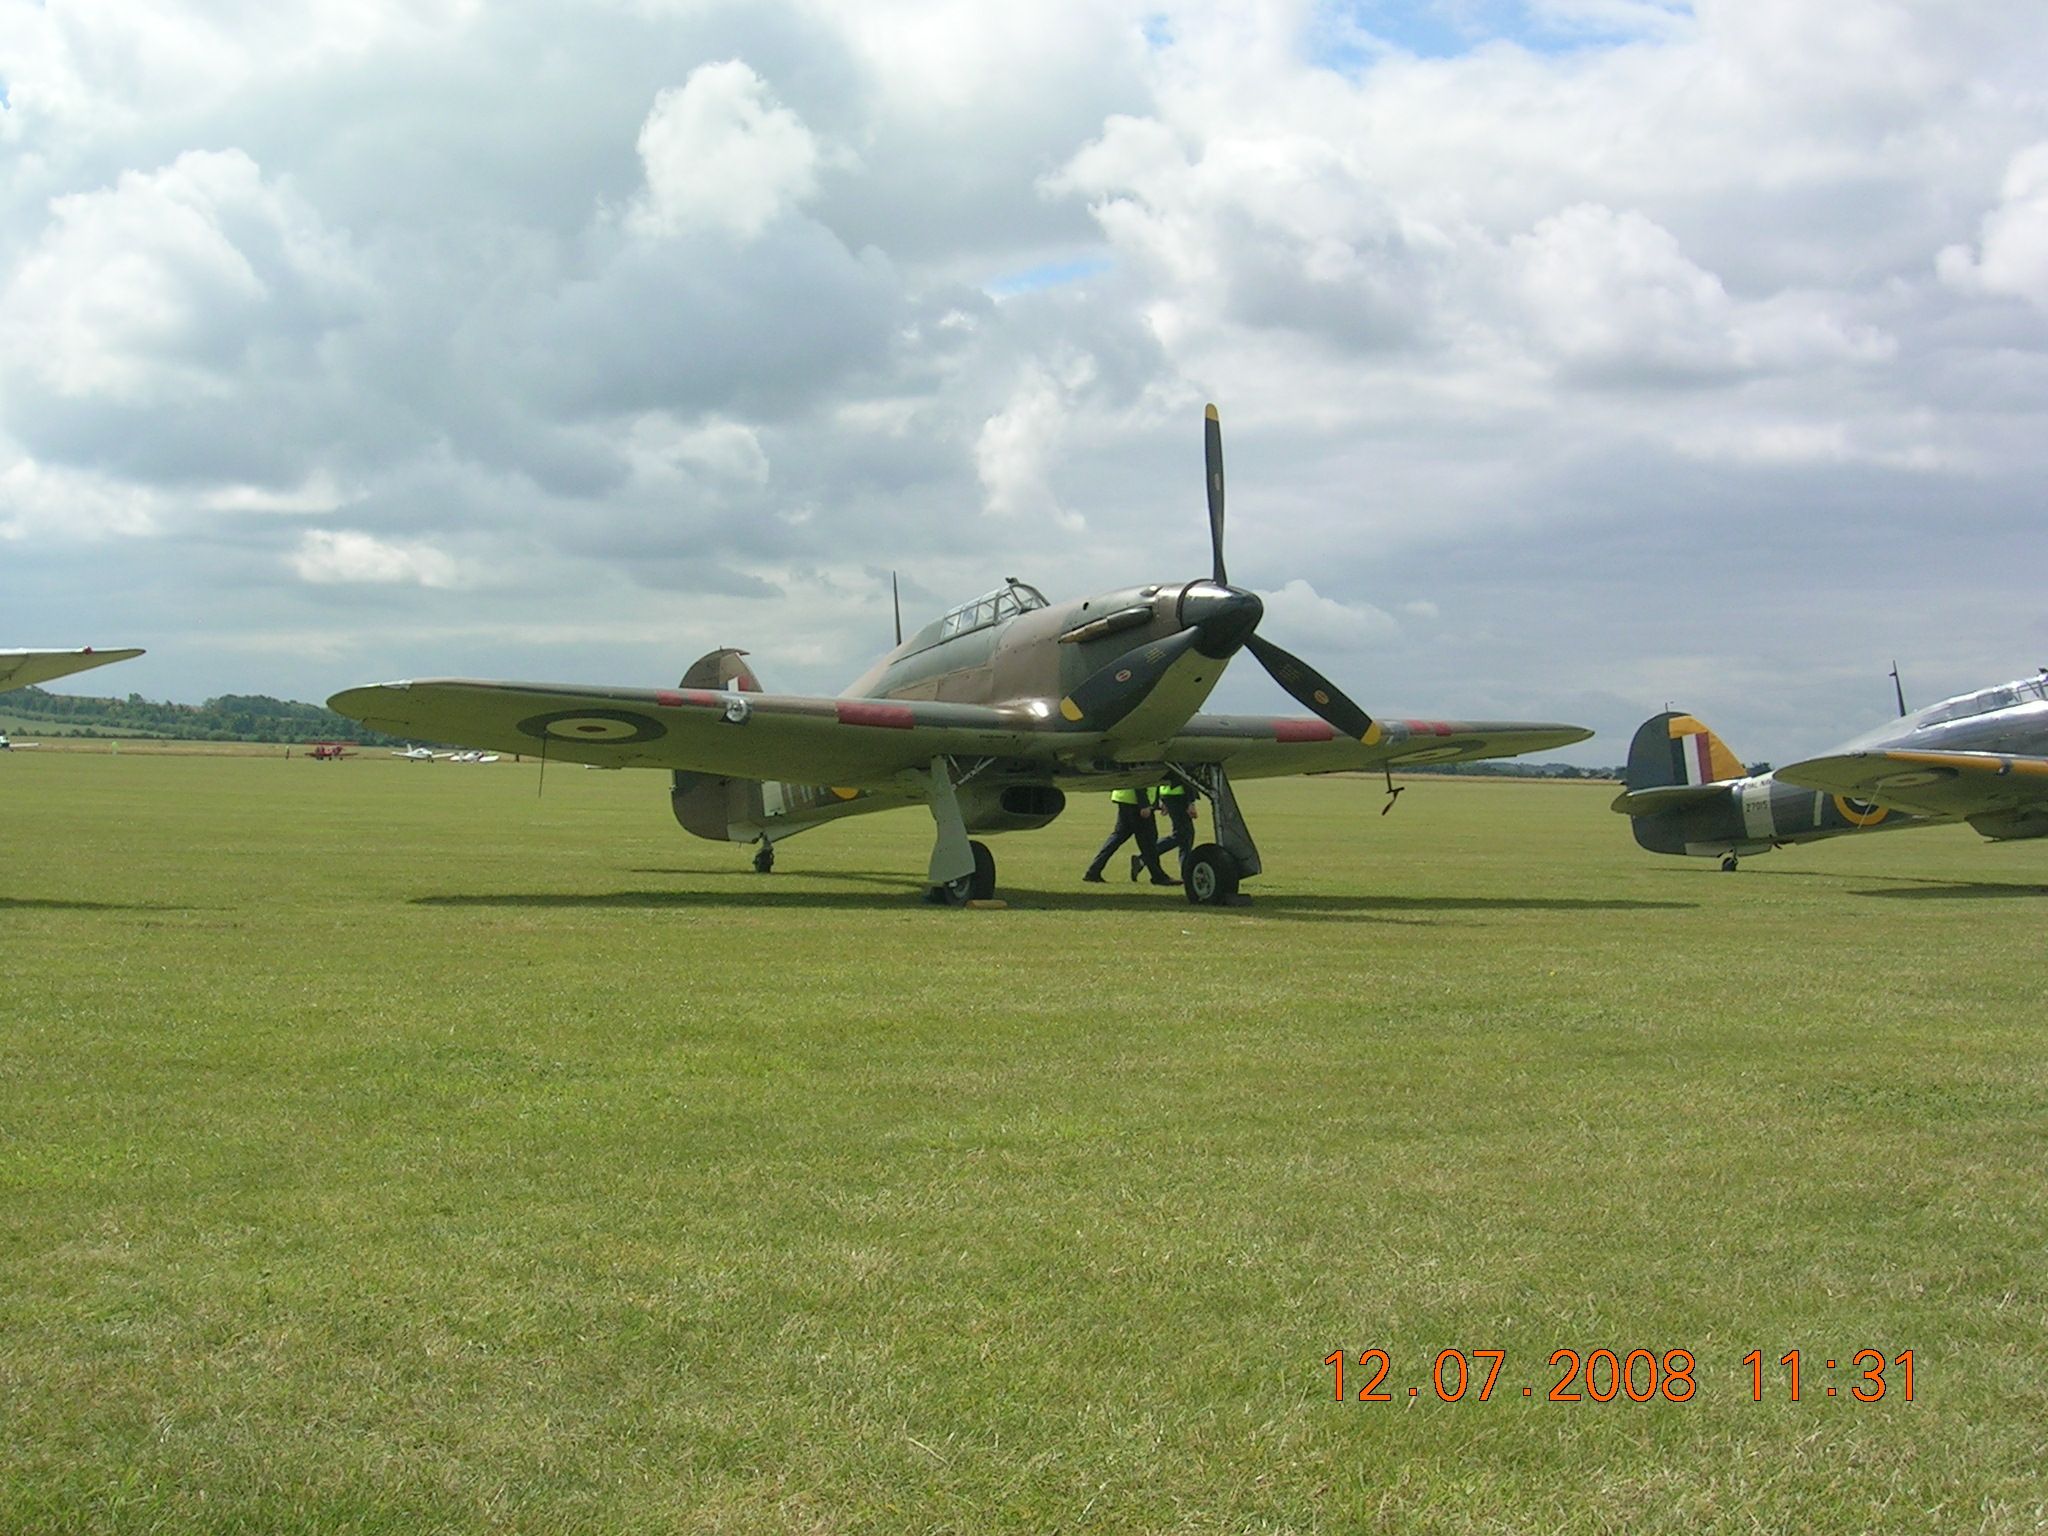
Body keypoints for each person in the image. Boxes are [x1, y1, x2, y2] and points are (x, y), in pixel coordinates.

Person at [1083, 785, 1175, 884]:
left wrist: (1155, 803)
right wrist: (1144, 804)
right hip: (1135, 802)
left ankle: (1093, 871)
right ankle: (1158, 877)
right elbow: (1141, 779)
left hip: (1127, 799)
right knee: (1148, 842)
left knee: (1118, 838)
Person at [1149, 779, 1199, 877]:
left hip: (1168, 792)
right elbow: (1185, 776)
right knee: (1183, 835)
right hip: (1178, 793)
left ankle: (1186, 872)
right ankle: (1146, 856)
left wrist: (1161, 798)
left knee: (1185, 836)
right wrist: (1190, 802)